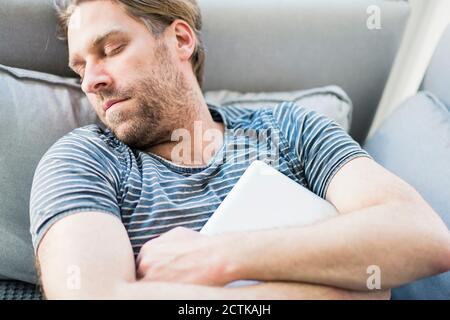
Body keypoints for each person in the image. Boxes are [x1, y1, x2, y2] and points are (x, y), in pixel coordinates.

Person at [30, 0, 450, 299]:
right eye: (81, 67)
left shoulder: (290, 127)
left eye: (111, 49)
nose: (90, 82)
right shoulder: (81, 161)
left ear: (180, 40)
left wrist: (220, 257)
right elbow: (95, 295)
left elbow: (421, 236)